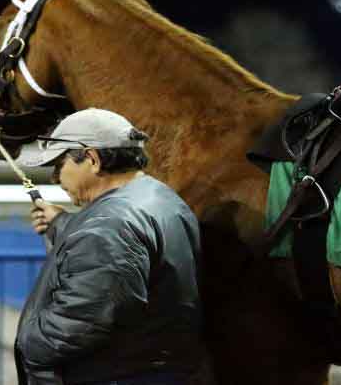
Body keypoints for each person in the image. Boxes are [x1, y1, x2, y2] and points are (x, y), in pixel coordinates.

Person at [16, 108, 204, 385]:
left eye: (59, 165)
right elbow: (123, 256)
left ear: (91, 159)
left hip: (114, 374)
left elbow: (82, 321)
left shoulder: (107, 225)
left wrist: (27, 343)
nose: (56, 178)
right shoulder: (158, 196)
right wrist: (62, 223)